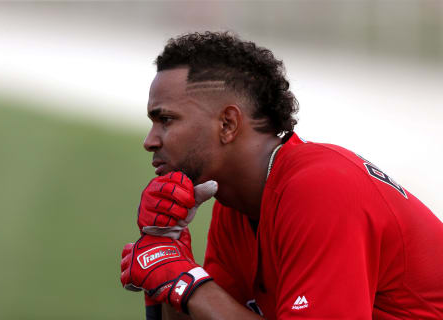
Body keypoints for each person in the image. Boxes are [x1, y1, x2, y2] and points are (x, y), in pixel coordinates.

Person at [120, 31, 443, 319]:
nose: (151, 141)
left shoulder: (322, 188)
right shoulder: (236, 204)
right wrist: (164, 250)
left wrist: (185, 282)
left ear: (227, 124)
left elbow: (198, 295)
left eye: (166, 119)